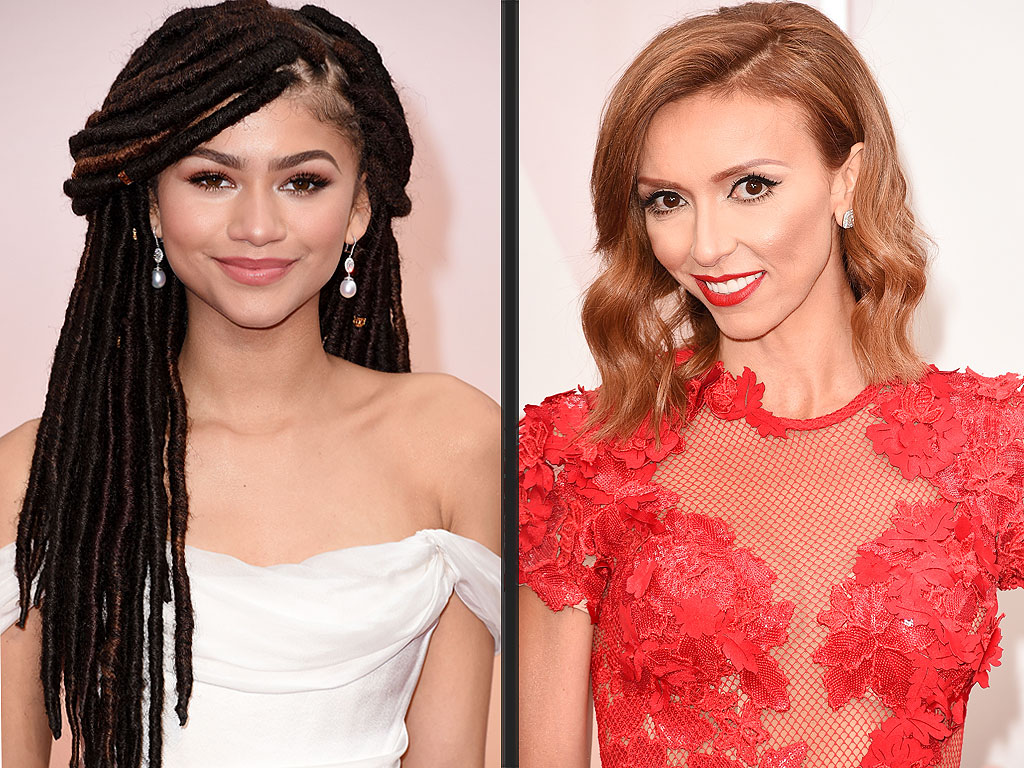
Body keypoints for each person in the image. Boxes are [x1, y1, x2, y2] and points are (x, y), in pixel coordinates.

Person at [519, 3, 1024, 767]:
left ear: (846, 178)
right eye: (669, 200)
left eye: (750, 186)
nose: (708, 245)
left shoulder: (991, 447)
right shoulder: (582, 460)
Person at [0, 2, 500, 766]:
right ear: (154, 207)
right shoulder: (37, 470)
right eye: (212, 178)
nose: (258, 226)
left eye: (302, 181)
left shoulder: (455, 441)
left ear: (360, 206)